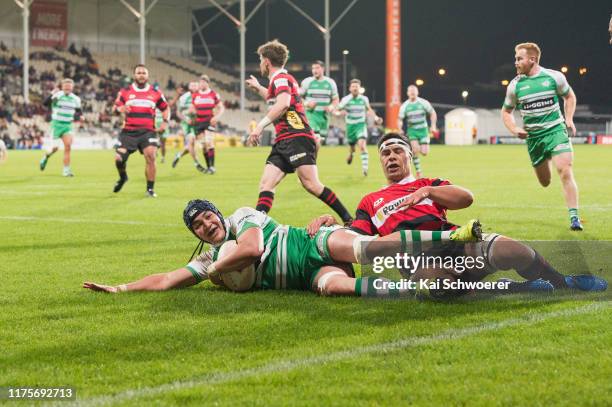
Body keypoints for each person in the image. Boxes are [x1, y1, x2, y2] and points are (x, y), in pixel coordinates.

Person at [307, 133, 607, 296]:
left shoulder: (429, 184)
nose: (391, 157)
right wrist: (332, 226)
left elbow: (466, 198)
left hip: (457, 243)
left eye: (398, 150)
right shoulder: (371, 200)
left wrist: (426, 193)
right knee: (436, 285)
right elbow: (358, 237)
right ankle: (515, 288)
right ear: (380, 162)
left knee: (517, 251)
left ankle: (562, 281)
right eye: (385, 153)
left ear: (410, 156)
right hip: (418, 259)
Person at [83, 199, 480, 296]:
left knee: (369, 250)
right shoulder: (211, 258)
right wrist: (121, 288)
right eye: (198, 226)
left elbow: (254, 248)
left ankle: (454, 236)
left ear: (217, 214)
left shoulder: (242, 217)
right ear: (198, 235)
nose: (206, 224)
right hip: (307, 276)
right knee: (336, 289)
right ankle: (420, 289)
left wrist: (217, 270)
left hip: (309, 242)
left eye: (207, 216)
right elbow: (167, 279)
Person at [245, 39, 353, 225]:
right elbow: (277, 99)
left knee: (311, 184)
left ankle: (349, 219)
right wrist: (259, 88)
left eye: (261, 59)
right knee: (266, 184)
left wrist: (260, 126)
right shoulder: (280, 80)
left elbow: (283, 104)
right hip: (284, 140)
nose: (261, 63)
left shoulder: (280, 79)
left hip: (297, 138)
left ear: (267, 61)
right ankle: (256, 228)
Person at [501, 42, 582, 231]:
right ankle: (546, 157)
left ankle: (574, 218)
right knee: (545, 182)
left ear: (532, 59)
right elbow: (506, 112)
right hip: (534, 138)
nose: (516, 63)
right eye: (516, 59)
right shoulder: (515, 85)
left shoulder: (554, 77)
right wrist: (514, 128)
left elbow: (569, 97)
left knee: (565, 170)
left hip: (556, 131)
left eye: (519, 59)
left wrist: (568, 119)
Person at [113, 64, 169, 197]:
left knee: (150, 156)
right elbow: (115, 108)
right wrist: (119, 109)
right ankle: (123, 177)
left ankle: (150, 190)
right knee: (119, 159)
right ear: (134, 75)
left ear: (148, 76)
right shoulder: (125, 92)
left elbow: (165, 108)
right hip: (129, 132)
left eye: (144, 73)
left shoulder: (156, 93)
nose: (141, 75)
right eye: (139, 73)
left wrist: (165, 122)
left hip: (148, 132)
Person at [335, 79, 382, 176]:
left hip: (361, 125)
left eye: (356, 86)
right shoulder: (346, 99)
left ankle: (365, 169)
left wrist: (376, 118)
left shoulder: (364, 99)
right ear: (350, 88)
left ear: (359, 88)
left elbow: (369, 110)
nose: (355, 88)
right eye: (353, 86)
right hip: (350, 127)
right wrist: (339, 113)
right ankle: (351, 154)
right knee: (352, 147)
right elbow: (337, 110)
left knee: (362, 145)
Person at [39, 79, 82, 177]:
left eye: (69, 88)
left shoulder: (76, 99)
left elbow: (79, 110)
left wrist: (81, 116)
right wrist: (51, 94)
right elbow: (45, 104)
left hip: (67, 125)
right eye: (65, 87)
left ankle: (66, 170)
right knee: (55, 148)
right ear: (62, 87)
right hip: (57, 124)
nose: (67, 89)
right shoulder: (57, 96)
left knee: (68, 146)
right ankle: (46, 157)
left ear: (72, 88)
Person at [397, 85, 437, 178]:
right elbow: (400, 119)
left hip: (423, 131)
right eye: (410, 91)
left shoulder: (423, 103)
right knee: (415, 150)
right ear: (407, 93)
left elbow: (432, 113)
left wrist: (433, 125)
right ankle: (419, 171)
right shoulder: (405, 106)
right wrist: (400, 128)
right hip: (412, 131)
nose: (412, 93)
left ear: (417, 93)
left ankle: (420, 155)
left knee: (424, 152)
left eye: (414, 91)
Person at [300, 60, 339, 153]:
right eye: (313, 68)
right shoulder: (307, 82)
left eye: (317, 68)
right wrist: (306, 103)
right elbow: (298, 97)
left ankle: (312, 162)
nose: (314, 70)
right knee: (315, 138)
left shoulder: (330, 82)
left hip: (324, 116)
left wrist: (331, 107)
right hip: (311, 115)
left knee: (318, 142)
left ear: (323, 69)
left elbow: (336, 99)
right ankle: (308, 161)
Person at [190, 75, 224, 174]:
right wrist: (191, 112)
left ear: (208, 83)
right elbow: (192, 108)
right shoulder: (195, 95)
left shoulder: (213, 94)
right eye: (201, 82)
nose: (202, 84)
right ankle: (209, 167)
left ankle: (212, 167)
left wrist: (216, 117)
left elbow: (221, 107)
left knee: (209, 142)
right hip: (199, 122)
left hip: (210, 121)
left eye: (204, 82)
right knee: (203, 145)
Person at [172, 82, 206, 172]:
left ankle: (178, 155)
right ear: (189, 87)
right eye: (192, 85)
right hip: (187, 123)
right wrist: (186, 119)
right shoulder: (184, 98)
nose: (194, 86)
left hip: (198, 123)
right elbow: (178, 112)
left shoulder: (200, 96)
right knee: (191, 141)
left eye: (196, 85)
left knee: (191, 145)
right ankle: (197, 163)